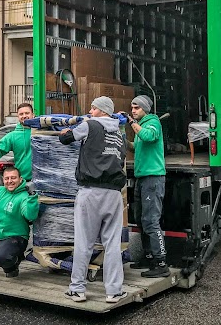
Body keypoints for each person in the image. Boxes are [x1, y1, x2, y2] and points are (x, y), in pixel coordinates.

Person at [58, 96, 128, 304]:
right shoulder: (120, 135)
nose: (90, 110)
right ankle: (114, 291)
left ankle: (77, 289)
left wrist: (65, 131)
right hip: (114, 194)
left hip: (91, 192)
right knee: (112, 243)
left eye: (93, 108)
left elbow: (66, 139)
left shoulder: (90, 125)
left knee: (84, 243)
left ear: (102, 110)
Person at [120, 94, 169, 278]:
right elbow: (137, 145)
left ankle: (161, 262)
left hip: (153, 179)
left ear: (145, 109)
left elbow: (147, 136)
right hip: (142, 178)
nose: (133, 111)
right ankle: (148, 257)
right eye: (132, 108)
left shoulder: (153, 123)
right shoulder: (142, 125)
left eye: (136, 108)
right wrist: (124, 143)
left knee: (151, 221)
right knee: (141, 220)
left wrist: (131, 121)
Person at [0, 103, 34, 181]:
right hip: (24, 181)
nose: (24, 116)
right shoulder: (12, 136)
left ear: (33, 115)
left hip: (44, 181)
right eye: (21, 114)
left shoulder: (42, 132)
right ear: (18, 117)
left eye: (27, 113)